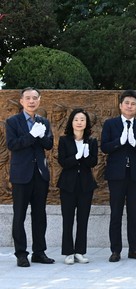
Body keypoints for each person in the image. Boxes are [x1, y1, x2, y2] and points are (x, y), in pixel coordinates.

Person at [5, 87, 55, 267]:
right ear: (21, 101)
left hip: (40, 174)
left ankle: (39, 252)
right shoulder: (12, 122)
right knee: (19, 215)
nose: (31, 101)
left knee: (40, 215)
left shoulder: (44, 121)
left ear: (39, 100)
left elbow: (49, 144)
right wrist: (31, 135)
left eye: (35, 98)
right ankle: (21, 254)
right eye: (28, 98)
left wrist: (41, 136)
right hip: (21, 175)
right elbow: (12, 144)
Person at [101, 90, 136, 262]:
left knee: (133, 213)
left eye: (133, 104)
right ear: (121, 105)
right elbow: (104, 147)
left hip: (135, 176)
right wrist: (119, 142)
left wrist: (134, 143)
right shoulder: (110, 124)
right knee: (116, 213)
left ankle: (134, 249)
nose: (130, 106)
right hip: (116, 176)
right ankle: (115, 250)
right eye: (127, 103)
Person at [57, 109, 98, 265]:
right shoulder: (64, 140)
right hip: (67, 185)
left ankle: (80, 251)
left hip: (86, 185)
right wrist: (76, 157)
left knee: (83, 219)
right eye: (76, 119)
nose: (79, 122)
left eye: (82, 119)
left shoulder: (92, 141)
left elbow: (93, 162)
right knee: (68, 219)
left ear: (86, 123)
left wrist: (86, 156)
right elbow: (63, 161)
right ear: (71, 122)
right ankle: (68, 252)